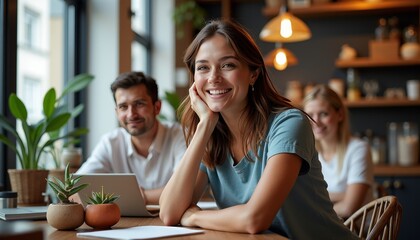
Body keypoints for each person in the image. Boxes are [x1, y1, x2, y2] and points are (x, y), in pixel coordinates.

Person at [158, 19, 358, 239]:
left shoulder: (288, 124)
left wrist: (194, 217)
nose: (213, 78)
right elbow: (169, 213)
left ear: (253, 73)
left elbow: (255, 218)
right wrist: (204, 126)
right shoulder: (212, 135)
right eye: (203, 67)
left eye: (228, 65)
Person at [76, 71, 186, 205]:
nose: (131, 114)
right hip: (124, 224)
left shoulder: (180, 136)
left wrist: (137, 196)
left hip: (174, 223)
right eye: (123, 107)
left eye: (139, 104)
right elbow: (76, 189)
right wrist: (143, 196)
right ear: (117, 112)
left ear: (157, 107)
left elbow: (185, 190)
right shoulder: (110, 143)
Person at [303, 84, 374, 219]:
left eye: (323, 114)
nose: (316, 121)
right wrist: (341, 195)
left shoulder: (358, 149)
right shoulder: (308, 152)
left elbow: (348, 208)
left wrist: (311, 210)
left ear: (340, 114)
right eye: (310, 115)